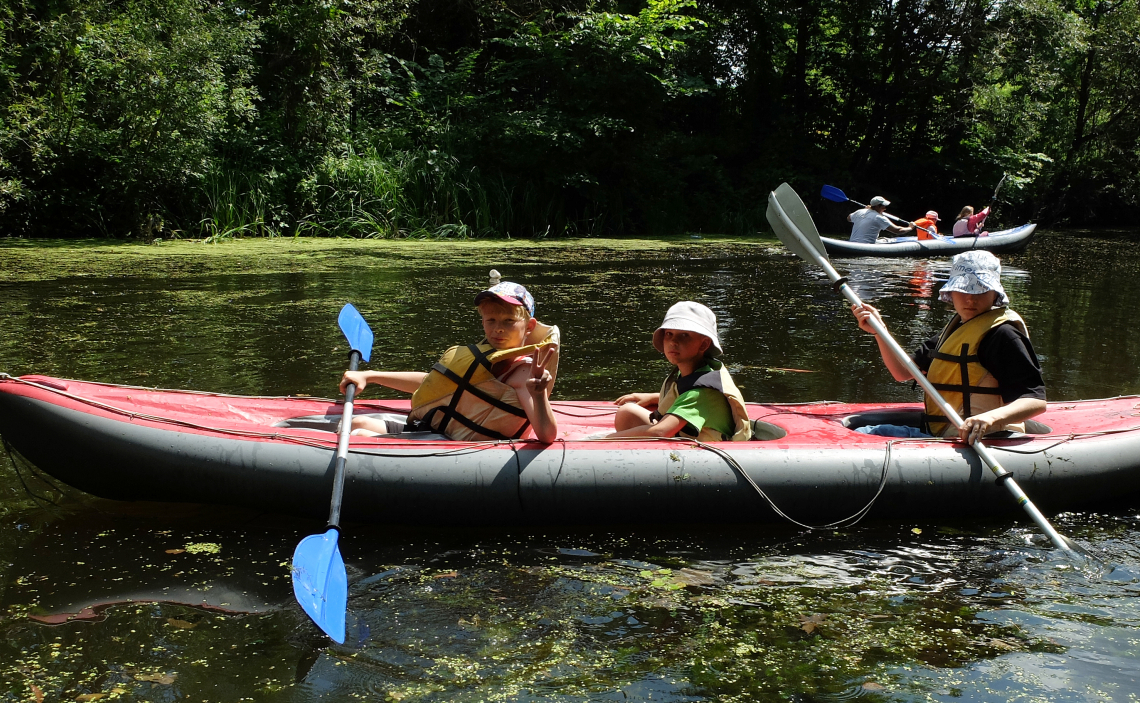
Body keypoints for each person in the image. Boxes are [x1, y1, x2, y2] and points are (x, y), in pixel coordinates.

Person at [850, 251, 1046, 443]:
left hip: (985, 439)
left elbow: (1035, 402)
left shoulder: (1004, 336)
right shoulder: (954, 331)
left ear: (995, 293)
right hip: (944, 435)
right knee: (864, 432)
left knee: (869, 432)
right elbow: (902, 372)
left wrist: (989, 419)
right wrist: (880, 331)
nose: (971, 298)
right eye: (964, 289)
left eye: (980, 289)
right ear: (951, 292)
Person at [340, 281, 560, 442]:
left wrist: (539, 394)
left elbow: (547, 435)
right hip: (437, 430)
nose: (498, 328)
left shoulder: (522, 372)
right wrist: (370, 376)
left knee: (359, 435)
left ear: (529, 327)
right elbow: (434, 382)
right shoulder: (484, 356)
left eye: (509, 321)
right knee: (355, 423)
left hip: (453, 444)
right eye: (490, 320)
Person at [609, 302, 752, 441]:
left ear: (704, 344)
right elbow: (684, 395)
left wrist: (602, 440)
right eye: (669, 333)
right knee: (627, 413)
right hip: (684, 436)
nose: (673, 341)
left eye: (684, 335)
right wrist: (654, 397)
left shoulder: (702, 391)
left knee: (635, 428)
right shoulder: (695, 371)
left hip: (703, 455)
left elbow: (661, 432)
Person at [848, 196, 914, 244]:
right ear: (877, 206)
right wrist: (910, 227)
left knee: (883, 239)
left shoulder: (859, 212)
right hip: (867, 246)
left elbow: (849, 218)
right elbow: (897, 230)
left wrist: (865, 210)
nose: (885, 208)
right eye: (883, 206)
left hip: (853, 243)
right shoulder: (879, 218)